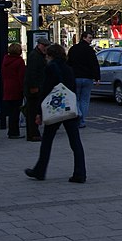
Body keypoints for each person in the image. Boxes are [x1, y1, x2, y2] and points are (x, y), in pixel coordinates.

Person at [25, 43, 86, 183]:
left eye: (47, 55)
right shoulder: (68, 68)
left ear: (51, 56)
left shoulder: (51, 68)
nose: (45, 58)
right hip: (69, 108)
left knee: (47, 141)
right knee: (75, 141)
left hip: (55, 108)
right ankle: (80, 172)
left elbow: (46, 90)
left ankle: (40, 170)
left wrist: (40, 112)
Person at [67, 31, 100, 128]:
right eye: (89, 38)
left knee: (76, 98)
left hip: (75, 77)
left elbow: (69, 63)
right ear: (84, 38)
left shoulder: (73, 49)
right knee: (85, 100)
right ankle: (82, 120)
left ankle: (78, 114)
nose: (91, 40)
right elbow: (94, 64)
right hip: (87, 77)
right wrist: (97, 77)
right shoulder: (90, 50)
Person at [24, 37, 50, 142]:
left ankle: (33, 133)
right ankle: (33, 134)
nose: (45, 48)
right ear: (39, 45)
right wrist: (34, 87)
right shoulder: (35, 56)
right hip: (34, 88)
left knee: (34, 111)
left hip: (37, 87)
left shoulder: (38, 55)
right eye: (44, 46)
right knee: (33, 111)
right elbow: (32, 73)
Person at [1, 43, 26, 139]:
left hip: (7, 87)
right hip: (16, 88)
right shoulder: (19, 62)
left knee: (11, 111)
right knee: (16, 111)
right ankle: (14, 132)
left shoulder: (5, 60)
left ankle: (11, 131)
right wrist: (23, 88)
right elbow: (21, 76)